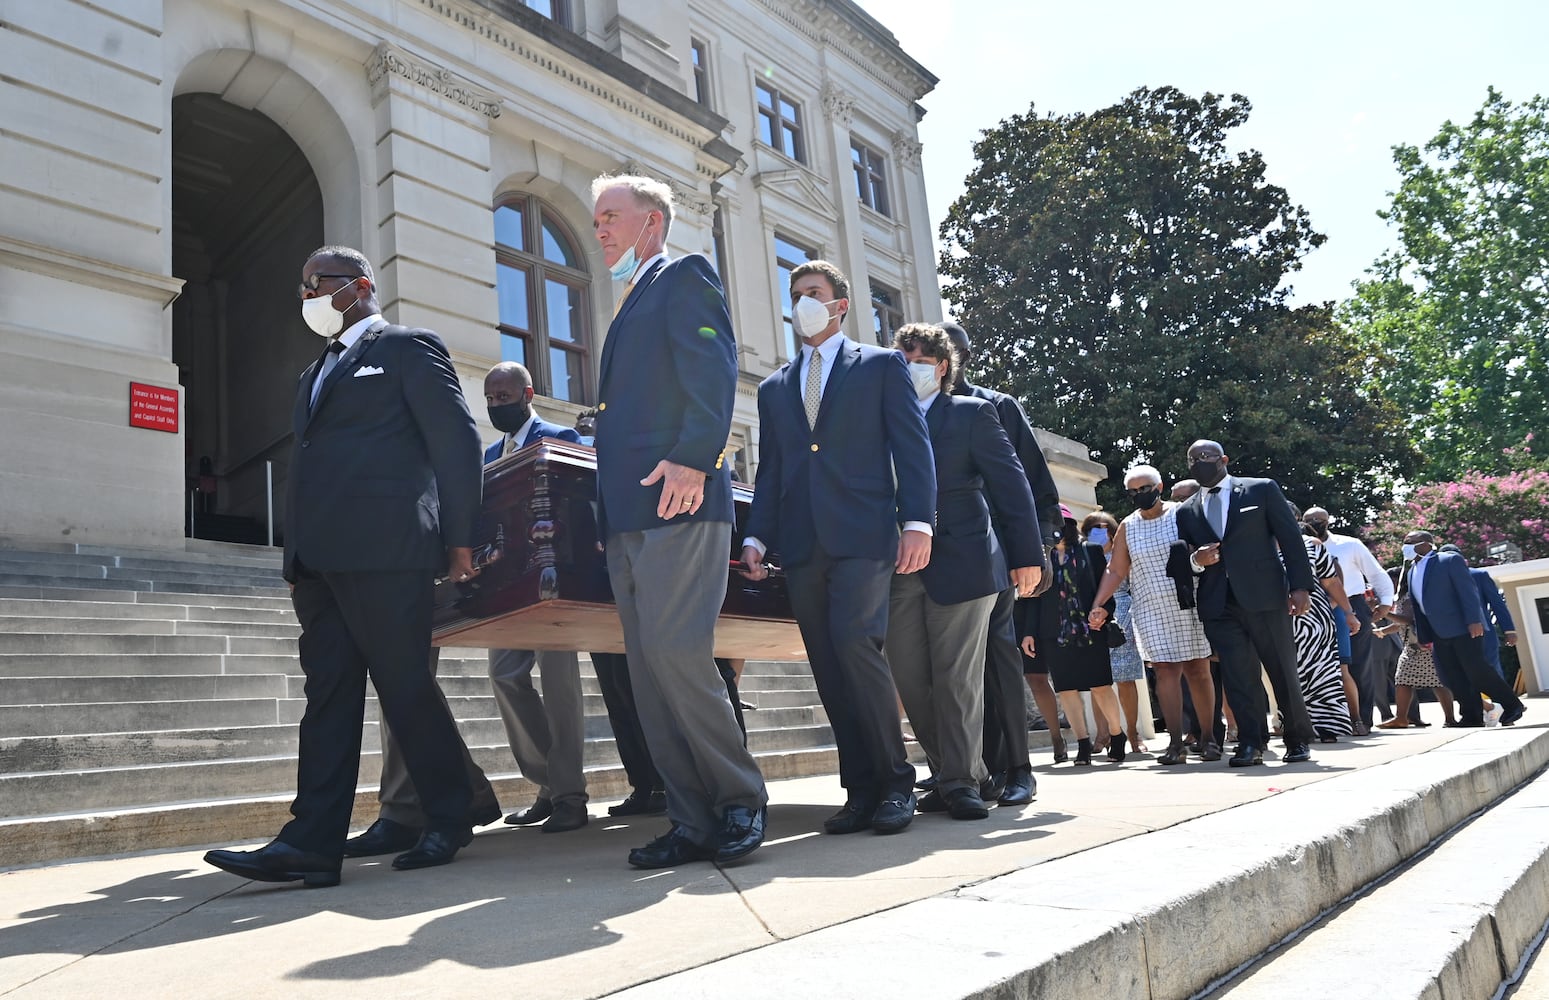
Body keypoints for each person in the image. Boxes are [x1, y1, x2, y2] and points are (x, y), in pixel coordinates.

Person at [205, 246, 485, 887]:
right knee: (327, 697)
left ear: (358, 287)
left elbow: (456, 441)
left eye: (317, 285)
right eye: (301, 288)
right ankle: (311, 841)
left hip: (388, 551)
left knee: (405, 687)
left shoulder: (410, 348)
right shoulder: (314, 372)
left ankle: (450, 812)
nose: (306, 298)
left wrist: (462, 539)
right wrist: (294, 551)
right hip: (319, 561)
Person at [591, 175, 767, 869]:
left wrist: (695, 458)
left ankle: (737, 800)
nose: (600, 228)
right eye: (596, 218)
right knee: (648, 671)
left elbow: (712, 368)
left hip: (678, 501)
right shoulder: (633, 298)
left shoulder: (683, 274)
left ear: (652, 223)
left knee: (679, 657)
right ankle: (689, 818)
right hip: (631, 512)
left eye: (612, 216)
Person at [741, 259, 935, 836]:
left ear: (839, 305)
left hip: (863, 536)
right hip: (802, 544)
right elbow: (772, 469)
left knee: (856, 644)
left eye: (814, 293)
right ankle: (861, 790)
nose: (802, 301)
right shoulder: (775, 386)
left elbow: (912, 447)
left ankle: (897, 783)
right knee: (826, 665)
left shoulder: (880, 367)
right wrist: (756, 534)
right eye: (796, 293)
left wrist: (919, 522)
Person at [887, 324, 1041, 819]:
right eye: (901, 354)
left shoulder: (974, 414)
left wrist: (1027, 555)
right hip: (899, 565)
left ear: (942, 366)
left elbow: (1012, 486)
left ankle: (959, 781)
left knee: (957, 678)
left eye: (918, 356)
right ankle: (961, 771)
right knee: (911, 678)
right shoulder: (882, 417)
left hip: (966, 561)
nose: (907, 363)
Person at [940, 321, 1059, 805]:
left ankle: (1018, 769)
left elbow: (1036, 488)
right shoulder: (913, 408)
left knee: (999, 659)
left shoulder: (996, 405)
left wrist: (1039, 550)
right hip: (938, 557)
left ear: (963, 354)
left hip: (994, 556)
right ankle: (967, 770)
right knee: (949, 668)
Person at [477, 363, 591, 832]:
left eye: (504, 396)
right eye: (490, 398)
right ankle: (550, 781)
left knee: (560, 687)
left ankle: (569, 798)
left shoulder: (560, 434)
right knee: (504, 676)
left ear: (527, 393)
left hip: (554, 580)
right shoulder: (488, 454)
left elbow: (582, 498)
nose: (497, 405)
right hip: (508, 584)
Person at [1173, 439, 1317, 767]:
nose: (1199, 462)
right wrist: (1197, 560)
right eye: (1192, 459)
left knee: (1282, 669)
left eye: (1206, 456)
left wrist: (1300, 587)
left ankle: (1297, 737)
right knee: (1239, 676)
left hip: (1265, 595)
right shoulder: (1186, 510)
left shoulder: (1260, 490)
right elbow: (1182, 560)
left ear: (1223, 458)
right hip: (1218, 603)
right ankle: (1252, 743)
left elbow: (1291, 540)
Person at [1090, 465, 1217, 765]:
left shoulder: (1182, 513)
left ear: (1159, 487)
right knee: (1165, 671)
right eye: (1132, 492)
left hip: (1188, 601)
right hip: (1149, 607)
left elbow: (1205, 550)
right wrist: (1099, 603)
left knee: (1198, 669)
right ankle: (1175, 744)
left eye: (1144, 489)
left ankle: (1209, 738)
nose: (1139, 495)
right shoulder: (1128, 526)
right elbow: (1116, 569)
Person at [1022, 506, 1125, 765]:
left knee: (1101, 687)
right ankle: (1082, 743)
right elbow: (1034, 599)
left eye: (1062, 523)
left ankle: (1116, 734)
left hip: (1090, 629)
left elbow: (1107, 586)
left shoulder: (1091, 551)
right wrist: (1029, 633)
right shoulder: (1041, 557)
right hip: (1054, 633)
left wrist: (1103, 610)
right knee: (1066, 690)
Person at [1402, 530, 1525, 727]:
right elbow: (1419, 606)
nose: (1405, 546)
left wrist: (1474, 620)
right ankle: (1471, 716)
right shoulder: (1411, 571)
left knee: (1477, 671)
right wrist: (1423, 634)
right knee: (1452, 676)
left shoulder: (1448, 561)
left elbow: (1467, 591)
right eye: (1405, 542)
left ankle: (1512, 706)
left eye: (1411, 542)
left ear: (1426, 543)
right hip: (1438, 632)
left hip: (1464, 628)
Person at [1304, 507, 1395, 725]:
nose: (1315, 523)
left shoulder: (1349, 544)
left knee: (1358, 664)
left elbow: (1375, 573)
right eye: (1310, 520)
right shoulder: (1299, 545)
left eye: (1319, 519)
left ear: (1328, 521)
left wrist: (1385, 604)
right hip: (1313, 609)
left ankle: (1362, 719)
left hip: (1351, 604)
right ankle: (1336, 718)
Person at [1082, 510, 1146, 755]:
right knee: (1098, 681)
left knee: (1125, 678)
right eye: (1092, 529)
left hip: (1122, 615)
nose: (1099, 532)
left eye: (1104, 527)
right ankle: (1105, 733)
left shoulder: (1122, 554)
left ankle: (1133, 732)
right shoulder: (1085, 556)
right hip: (1093, 617)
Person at [1293, 522, 1356, 742]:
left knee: (1323, 672)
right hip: (1279, 619)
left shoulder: (1312, 544)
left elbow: (1331, 581)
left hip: (1316, 618)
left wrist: (1349, 612)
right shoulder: (1262, 545)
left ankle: (1329, 726)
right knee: (1292, 676)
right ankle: (1299, 728)